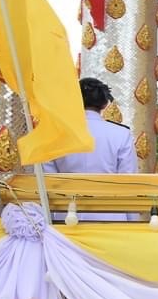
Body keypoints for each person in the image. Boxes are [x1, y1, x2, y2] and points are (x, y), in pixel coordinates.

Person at [50, 77, 139, 220]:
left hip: (67, 217)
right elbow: (128, 183)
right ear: (104, 104)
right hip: (111, 217)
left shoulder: (55, 135)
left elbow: (48, 183)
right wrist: (132, 223)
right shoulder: (121, 134)